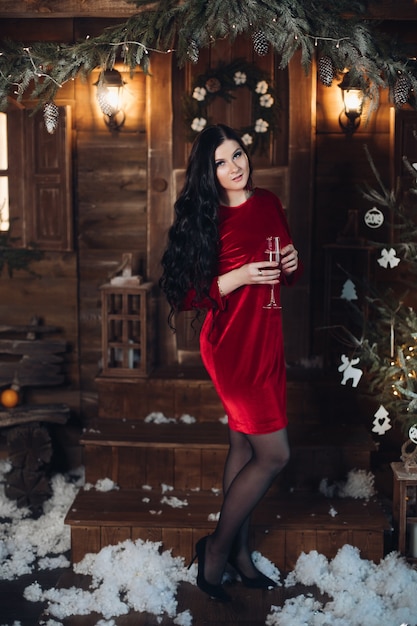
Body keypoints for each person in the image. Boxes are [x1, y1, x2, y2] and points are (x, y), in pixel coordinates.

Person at [160, 124, 302, 602]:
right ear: (209, 172)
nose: (234, 167)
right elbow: (184, 296)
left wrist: (291, 263)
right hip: (232, 347)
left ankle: (239, 557)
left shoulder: (269, 203)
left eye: (237, 154)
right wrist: (239, 275)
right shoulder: (206, 220)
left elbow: (287, 272)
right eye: (221, 162)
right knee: (274, 455)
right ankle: (217, 549)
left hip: (268, 338)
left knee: (243, 447)